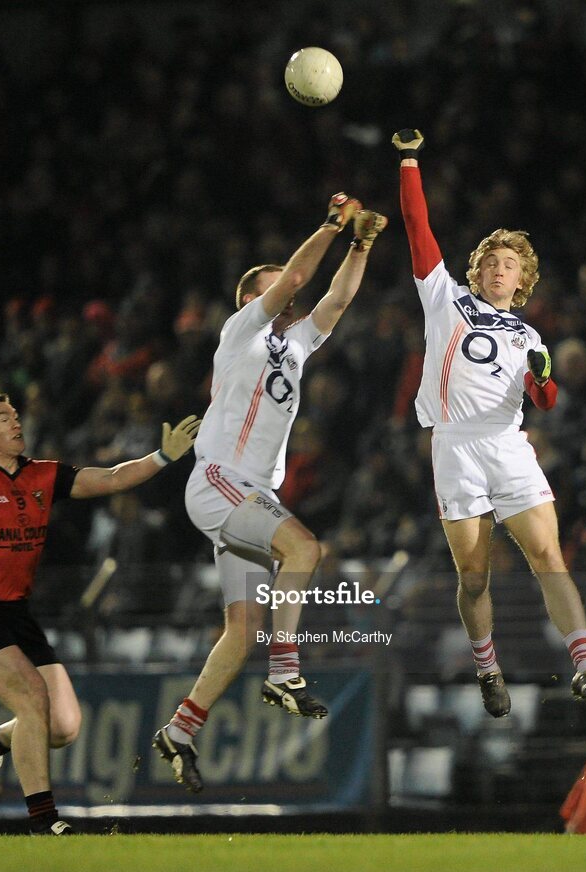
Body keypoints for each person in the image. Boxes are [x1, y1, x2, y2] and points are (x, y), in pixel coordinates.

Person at [153, 194, 387, 792]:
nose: (288, 285)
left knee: (243, 628)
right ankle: (285, 671)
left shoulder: (296, 345)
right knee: (304, 550)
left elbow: (336, 297)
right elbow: (304, 274)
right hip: (219, 481)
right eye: (273, 282)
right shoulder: (240, 331)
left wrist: (360, 244)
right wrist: (333, 225)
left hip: (246, 494)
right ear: (256, 298)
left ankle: (179, 731)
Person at [391, 128, 586, 718]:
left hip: (507, 444)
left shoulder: (530, 334)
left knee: (547, 555)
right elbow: (417, 228)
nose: (495, 267)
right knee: (475, 576)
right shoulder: (444, 298)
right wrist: (410, 162)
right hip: (455, 446)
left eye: (508, 263)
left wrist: (541, 377)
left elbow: (546, 402)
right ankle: (488, 667)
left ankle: (584, 664)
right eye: (489, 259)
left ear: (522, 280)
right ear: (477, 269)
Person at [0, 393, 200, 834]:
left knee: (64, 726)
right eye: (2, 418)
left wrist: (163, 457)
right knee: (33, 695)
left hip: (16, 612)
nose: (15, 422)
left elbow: (111, 478)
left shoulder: (42, 474)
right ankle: (44, 821)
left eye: (15, 415)